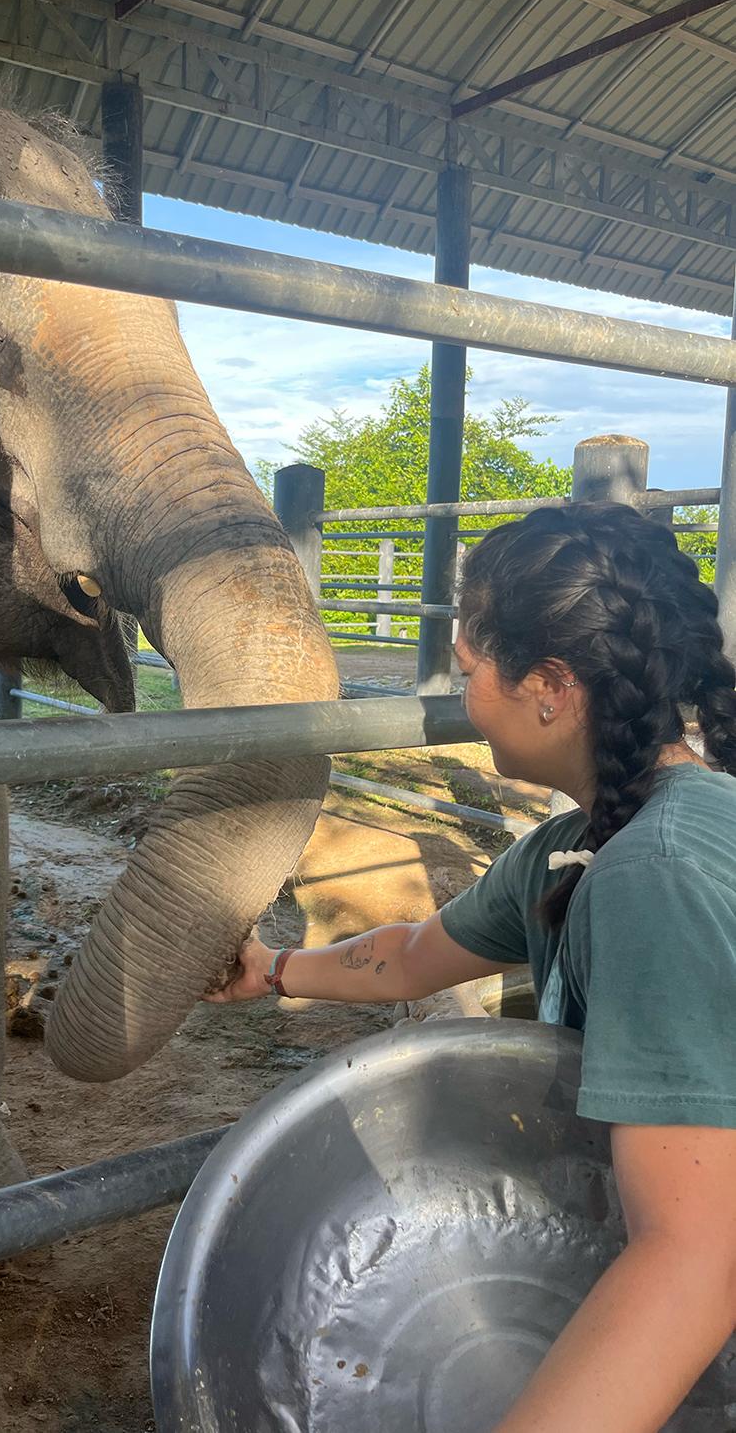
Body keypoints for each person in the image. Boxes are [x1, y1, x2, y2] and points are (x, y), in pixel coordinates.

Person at [207, 503, 736, 1433]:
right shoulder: (578, 848)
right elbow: (410, 958)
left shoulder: (651, 876)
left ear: (549, 685)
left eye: (471, 670)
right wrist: (275, 969)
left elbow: (692, 1260)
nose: (463, 696)